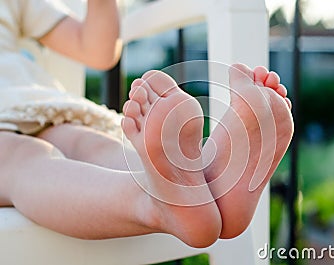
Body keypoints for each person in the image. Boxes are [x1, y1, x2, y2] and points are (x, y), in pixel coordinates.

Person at [0, 0, 294, 248]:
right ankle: (152, 200)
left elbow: (95, 50)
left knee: (88, 142)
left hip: (30, 105)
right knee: (22, 158)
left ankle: (200, 180)